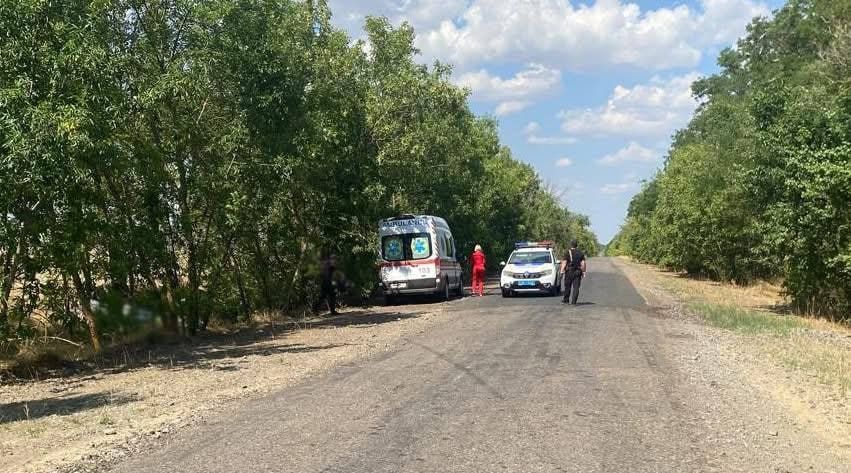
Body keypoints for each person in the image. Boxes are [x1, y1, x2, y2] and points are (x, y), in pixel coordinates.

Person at [561, 240, 586, 305]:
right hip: (577, 271)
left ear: (571, 245)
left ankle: (566, 300)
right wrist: (583, 272)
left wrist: (562, 271)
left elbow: (564, 262)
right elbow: (583, 263)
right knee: (576, 287)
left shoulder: (567, 252)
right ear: (576, 245)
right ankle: (574, 302)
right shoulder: (580, 253)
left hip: (569, 271)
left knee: (567, 286)